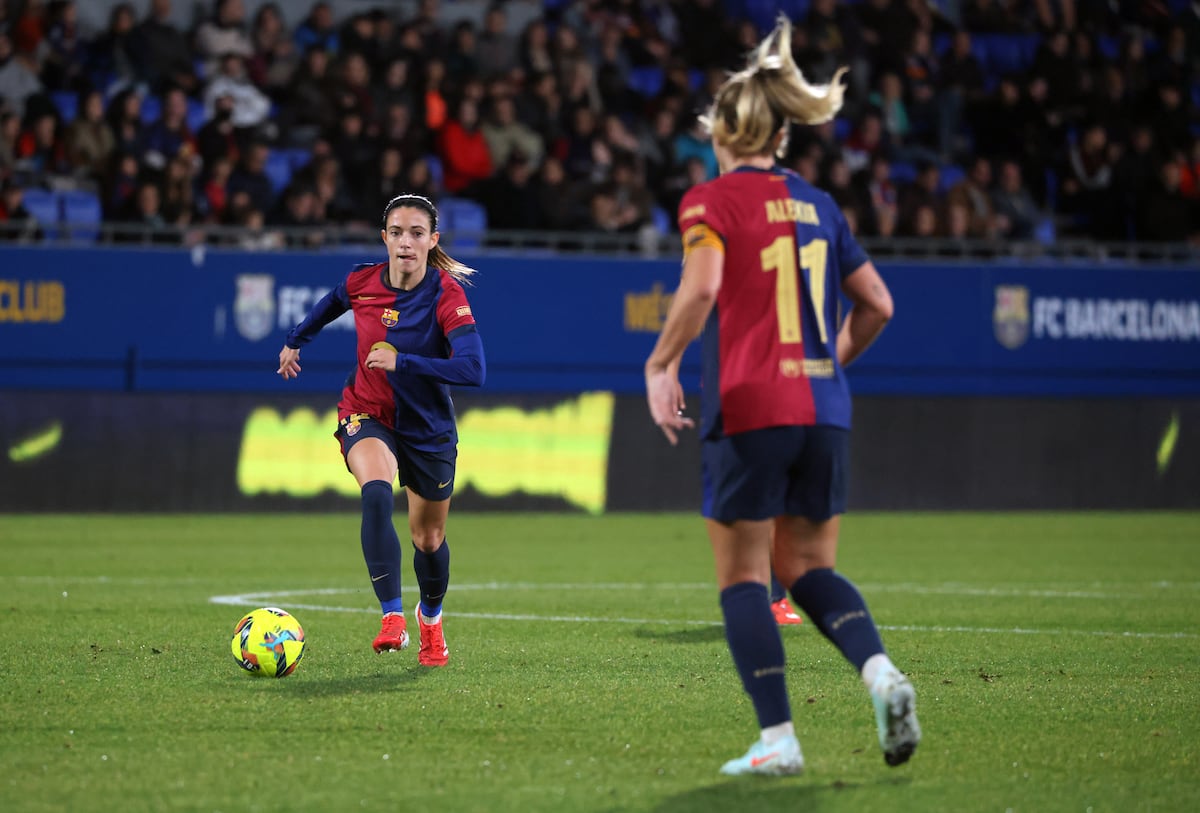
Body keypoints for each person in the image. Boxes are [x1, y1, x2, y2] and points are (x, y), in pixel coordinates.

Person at [644, 16, 919, 776]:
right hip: (823, 407)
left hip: (751, 404)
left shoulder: (711, 201)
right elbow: (879, 304)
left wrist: (659, 363)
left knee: (744, 575)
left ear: (723, 133)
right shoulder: (821, 205)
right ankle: (881, 674)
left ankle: (779, 740)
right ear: (781, 136)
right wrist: (829, 361)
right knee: (809, 568)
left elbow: (700, 288)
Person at [277, 194, 486, 667]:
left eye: (417, 233)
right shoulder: (362, 280)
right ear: (385, 238)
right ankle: (391, 616)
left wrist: (403, 361)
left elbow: (474, 370)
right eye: (397, 232)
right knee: (375, 491)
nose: (406, 242)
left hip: (427, 428)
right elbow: (332, 303)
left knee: (428, 540)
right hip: (366, 411)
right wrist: (295, 341)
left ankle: (429, 620)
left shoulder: (446, 294)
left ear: (433, 241)